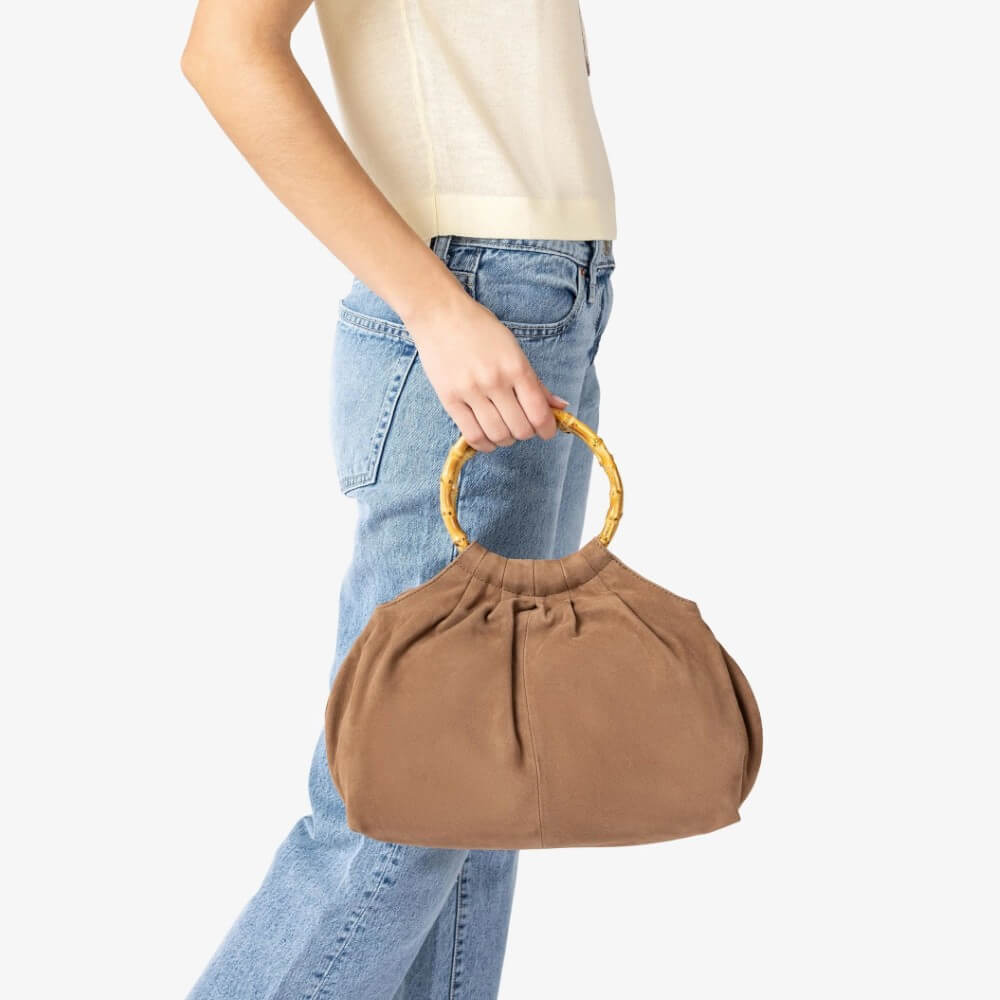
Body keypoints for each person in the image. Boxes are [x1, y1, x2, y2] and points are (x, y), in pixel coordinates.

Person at [180, 0, 616, 995]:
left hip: (545, 292)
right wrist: (433, 304)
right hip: (472, 296)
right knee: (402, 790)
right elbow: (223, 54)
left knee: (479, 791)